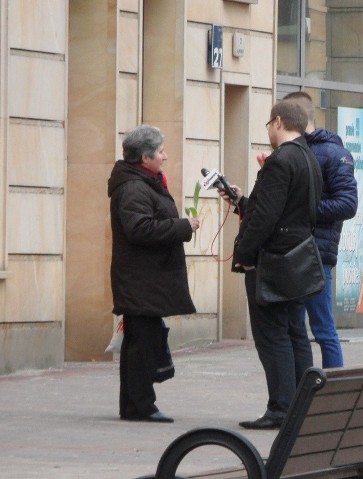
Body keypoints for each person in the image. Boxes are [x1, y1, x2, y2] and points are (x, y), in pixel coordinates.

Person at [219, 100, 324, 430]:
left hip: (274, 261)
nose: (268, 131)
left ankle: (280, 409)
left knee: (274, 337)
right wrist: (242, 201)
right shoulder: (308, 157)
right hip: (297, 259)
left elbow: (266, 218)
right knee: (295, 333)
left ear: (278, 122)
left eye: (268, 125)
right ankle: (300, 407)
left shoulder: (281, 161)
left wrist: (245, 257)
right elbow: (287, 211)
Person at [107, 124, 200, 423]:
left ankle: (135, 405)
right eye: (161, 152)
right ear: (145, 157)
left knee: (140, 342)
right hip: (140, 279)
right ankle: (140, 406)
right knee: (141, 345)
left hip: (145, 278)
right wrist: (183, 227)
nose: (166, 157)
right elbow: (140, 229)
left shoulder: (143, 182)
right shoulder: (134, 187)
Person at [281, 91, 358, 369]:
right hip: (292, 253)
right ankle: (300, 394)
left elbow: (347, 205)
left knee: (323, 330)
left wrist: (302, 209)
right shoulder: (294, 150)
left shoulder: (333, 153)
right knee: (294, 329)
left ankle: (332, 398)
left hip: (316, 256)